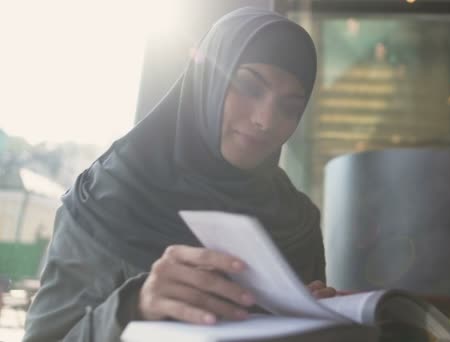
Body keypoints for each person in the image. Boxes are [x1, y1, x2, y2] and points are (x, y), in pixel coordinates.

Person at [23, 7, 337, 342]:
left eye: (289, 107)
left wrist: (329, 324)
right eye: (248, 86)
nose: (266, 120)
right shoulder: (110, 196)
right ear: (208, 82)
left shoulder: (296, 221)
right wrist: (133, 307)